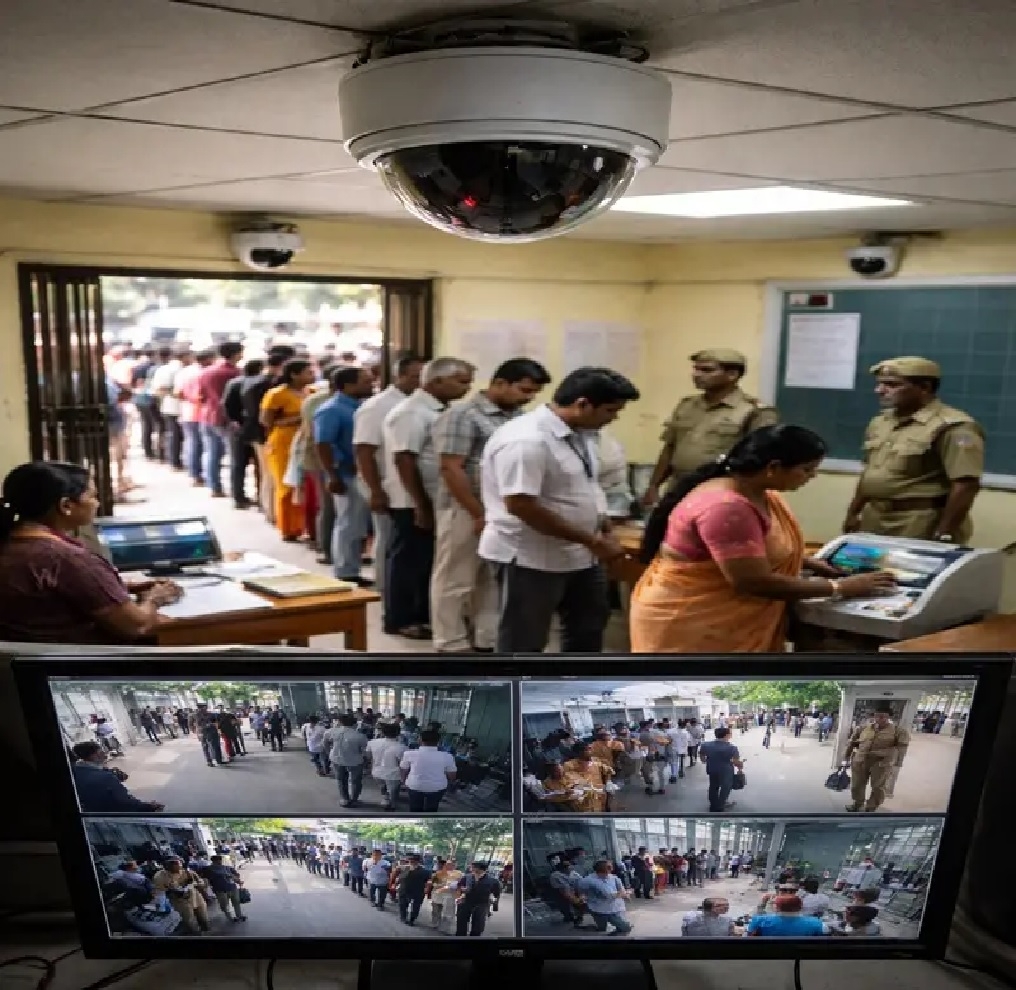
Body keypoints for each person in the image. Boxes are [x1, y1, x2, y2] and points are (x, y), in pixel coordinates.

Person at [629, 425, 897, 653]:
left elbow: (753, 547)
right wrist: (839, 588)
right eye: (807, 470)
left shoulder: (759, 492)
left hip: (721, 620)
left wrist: (807, 562)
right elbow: (751, 580)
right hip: (694, 624)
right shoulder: (727, 507)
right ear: (774, 467)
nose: (812, 476)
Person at [478, 367, 640, 653]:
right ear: (582, 404)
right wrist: (591, 541)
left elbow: (587, 489)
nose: (614, 417)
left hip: (581, 554)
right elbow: (521, 506)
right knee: (524, 640)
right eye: (611, 410)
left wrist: (605, 532)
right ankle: (518, 693)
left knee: (588, 628)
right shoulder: (526, 441)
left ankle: (574, 688)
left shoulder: (582, 434)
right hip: (530, 557)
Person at [430, 357, 551, 653]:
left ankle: (487, 637)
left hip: (500, 510)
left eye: (533, 392)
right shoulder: (463, 415)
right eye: (523, 390)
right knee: (455, 576)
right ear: (499, 383)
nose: (528, 397)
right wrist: (477, 512)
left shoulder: (519, 418)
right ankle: (450, 641)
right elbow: (451, 468)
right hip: (465, 507)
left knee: (491, 578)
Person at [0, 461, 181, 643]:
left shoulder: (11, 544)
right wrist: (155, 598)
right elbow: (137, 626)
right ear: (66, 506)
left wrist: (117, 587)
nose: (97, 503)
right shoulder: (67, 558)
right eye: (92, 496)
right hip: (82, 664)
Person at [843, 356, 985, 543]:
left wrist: (944, 532)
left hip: (918, 521)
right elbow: (870, 471)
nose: (879, 391)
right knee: (867, 571)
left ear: (924, 388)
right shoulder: (881, 422)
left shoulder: (953, 427)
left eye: (892, 385)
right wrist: (854, 512)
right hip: (875, 517)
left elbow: (966, 484)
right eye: (879, 384)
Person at [382, 357, 474, 639]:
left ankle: (423, 614)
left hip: (434, 498)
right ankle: (400, 619)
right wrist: (421, 505)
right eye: (461, 382)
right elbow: (404, 459)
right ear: (435, 382)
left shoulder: (442, 409)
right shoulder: (412, 412)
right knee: (409, 560)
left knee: (427, 561)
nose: (467, 388)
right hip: (413, 500)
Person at [642, 349, 779, 506]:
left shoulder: (754, 410)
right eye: (696, 369)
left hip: (721, 490)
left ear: (732, 375)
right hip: (679, 486)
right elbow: (670, 448)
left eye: (707, 370)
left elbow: (760, 459)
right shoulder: (687, 405)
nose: (697, 374)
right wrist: (653, 486)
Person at [352, 355, 424, 601]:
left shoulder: (419, 404)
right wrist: (375, 491)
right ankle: (386, 591)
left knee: (401, 545)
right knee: (389, 542)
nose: (421, 382)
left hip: (406, 485)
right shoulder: (377, 406)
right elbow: (364, 450)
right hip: (385, 483)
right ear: (399, 376)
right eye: (416, 376)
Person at [314, 366, 376, 582]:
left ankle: (352, 566)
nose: (372, 385)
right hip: (344, 474)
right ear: (348, 385)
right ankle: (345, 572)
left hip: (359, 473)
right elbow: (323, 444)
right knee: (349, 524)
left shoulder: (359, 407)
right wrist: (332, 476)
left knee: (358, 524)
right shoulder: (331, 409)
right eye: (366, 382)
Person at [260, 357, 316, 540]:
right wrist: (299, 419)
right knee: (286, 486)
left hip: (305, 442)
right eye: (308, 372)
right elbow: (266, 421)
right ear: (294, 375)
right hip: (283, 442)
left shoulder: (311, 392)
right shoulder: (277, 394)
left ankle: (304, 527)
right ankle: (288, 529)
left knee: (304, 486)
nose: (312, 375)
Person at [242, 346, 296, 522]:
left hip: (259, 433)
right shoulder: (271, 387)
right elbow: (264, 417)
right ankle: (273, 513)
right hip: (267, 435)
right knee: (271, 475)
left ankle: (269, 510)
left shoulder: (250, 382)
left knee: (267, 475)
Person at [196, 341, 243, 498]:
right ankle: (235, 491)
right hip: (226, 418)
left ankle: (214, 486)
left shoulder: (206, 372)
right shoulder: (235, 373)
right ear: (236, 354)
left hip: (207, 415)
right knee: (234, 457)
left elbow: (200, 395)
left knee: (212, 453)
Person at [843, 703, 910, 813]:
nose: (879, 718)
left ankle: (871, 807)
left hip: (881, 763)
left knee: (878, 787)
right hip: (860, 761)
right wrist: (845, 758)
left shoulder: (898, 731)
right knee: (857, 785)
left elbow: (901, 748)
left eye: (883, 716)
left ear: (888, 717)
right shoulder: (863, 728)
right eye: (877, 715)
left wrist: (898, 763)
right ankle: (857, 803)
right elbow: (852, 743)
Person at [70, 741, 164, 813]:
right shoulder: (106, 777)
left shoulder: (74, 771)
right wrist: (149, 807)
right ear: (95, 755)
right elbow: (125, 802)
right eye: (101, 751)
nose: (104, 753)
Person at [220, 358, 265, 509]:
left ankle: (238, 497)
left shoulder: (233, 383)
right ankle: (261, 497)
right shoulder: (261, 383)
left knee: (238, 464)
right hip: (257, 429)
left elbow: (226, 404)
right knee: (260, 465)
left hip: (238, 428)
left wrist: (235, 420)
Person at [575, 859, 632, 935]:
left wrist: (625, 894)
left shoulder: (613, 878)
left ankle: (615, 933)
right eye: (609, 866)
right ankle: (590, 928)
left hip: (615, 907)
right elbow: (581, 890)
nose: (612, 868)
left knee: (624, 928)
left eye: (611, 866)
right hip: (599, 909)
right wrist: (582, 897)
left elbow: (621, 889)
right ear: (602, 868)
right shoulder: (589, 880)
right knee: (602, 929)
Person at [699, 727, 744, 813]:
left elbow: (702, 756)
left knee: (713, 786)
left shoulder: (706, 745)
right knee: (726, 787)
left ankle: (713, 805)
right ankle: (721, 805)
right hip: (726, 770)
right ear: (726, 735)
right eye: (730, 733)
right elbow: (736, 761)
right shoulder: (732, 748)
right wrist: (740, 766)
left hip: (712, 768)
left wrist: (705, 760)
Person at [455, 862, 502, 937]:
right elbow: (459, 887)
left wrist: (495, 905)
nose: (471, 868)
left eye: (473, 867)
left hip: (481, 904)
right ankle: (460, 938)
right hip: (465, 902)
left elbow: (497, 894)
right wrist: (461, 893)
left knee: (478, 924)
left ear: (480, 869)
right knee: (461, 922)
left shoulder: (492, 881)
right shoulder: (467, 877)